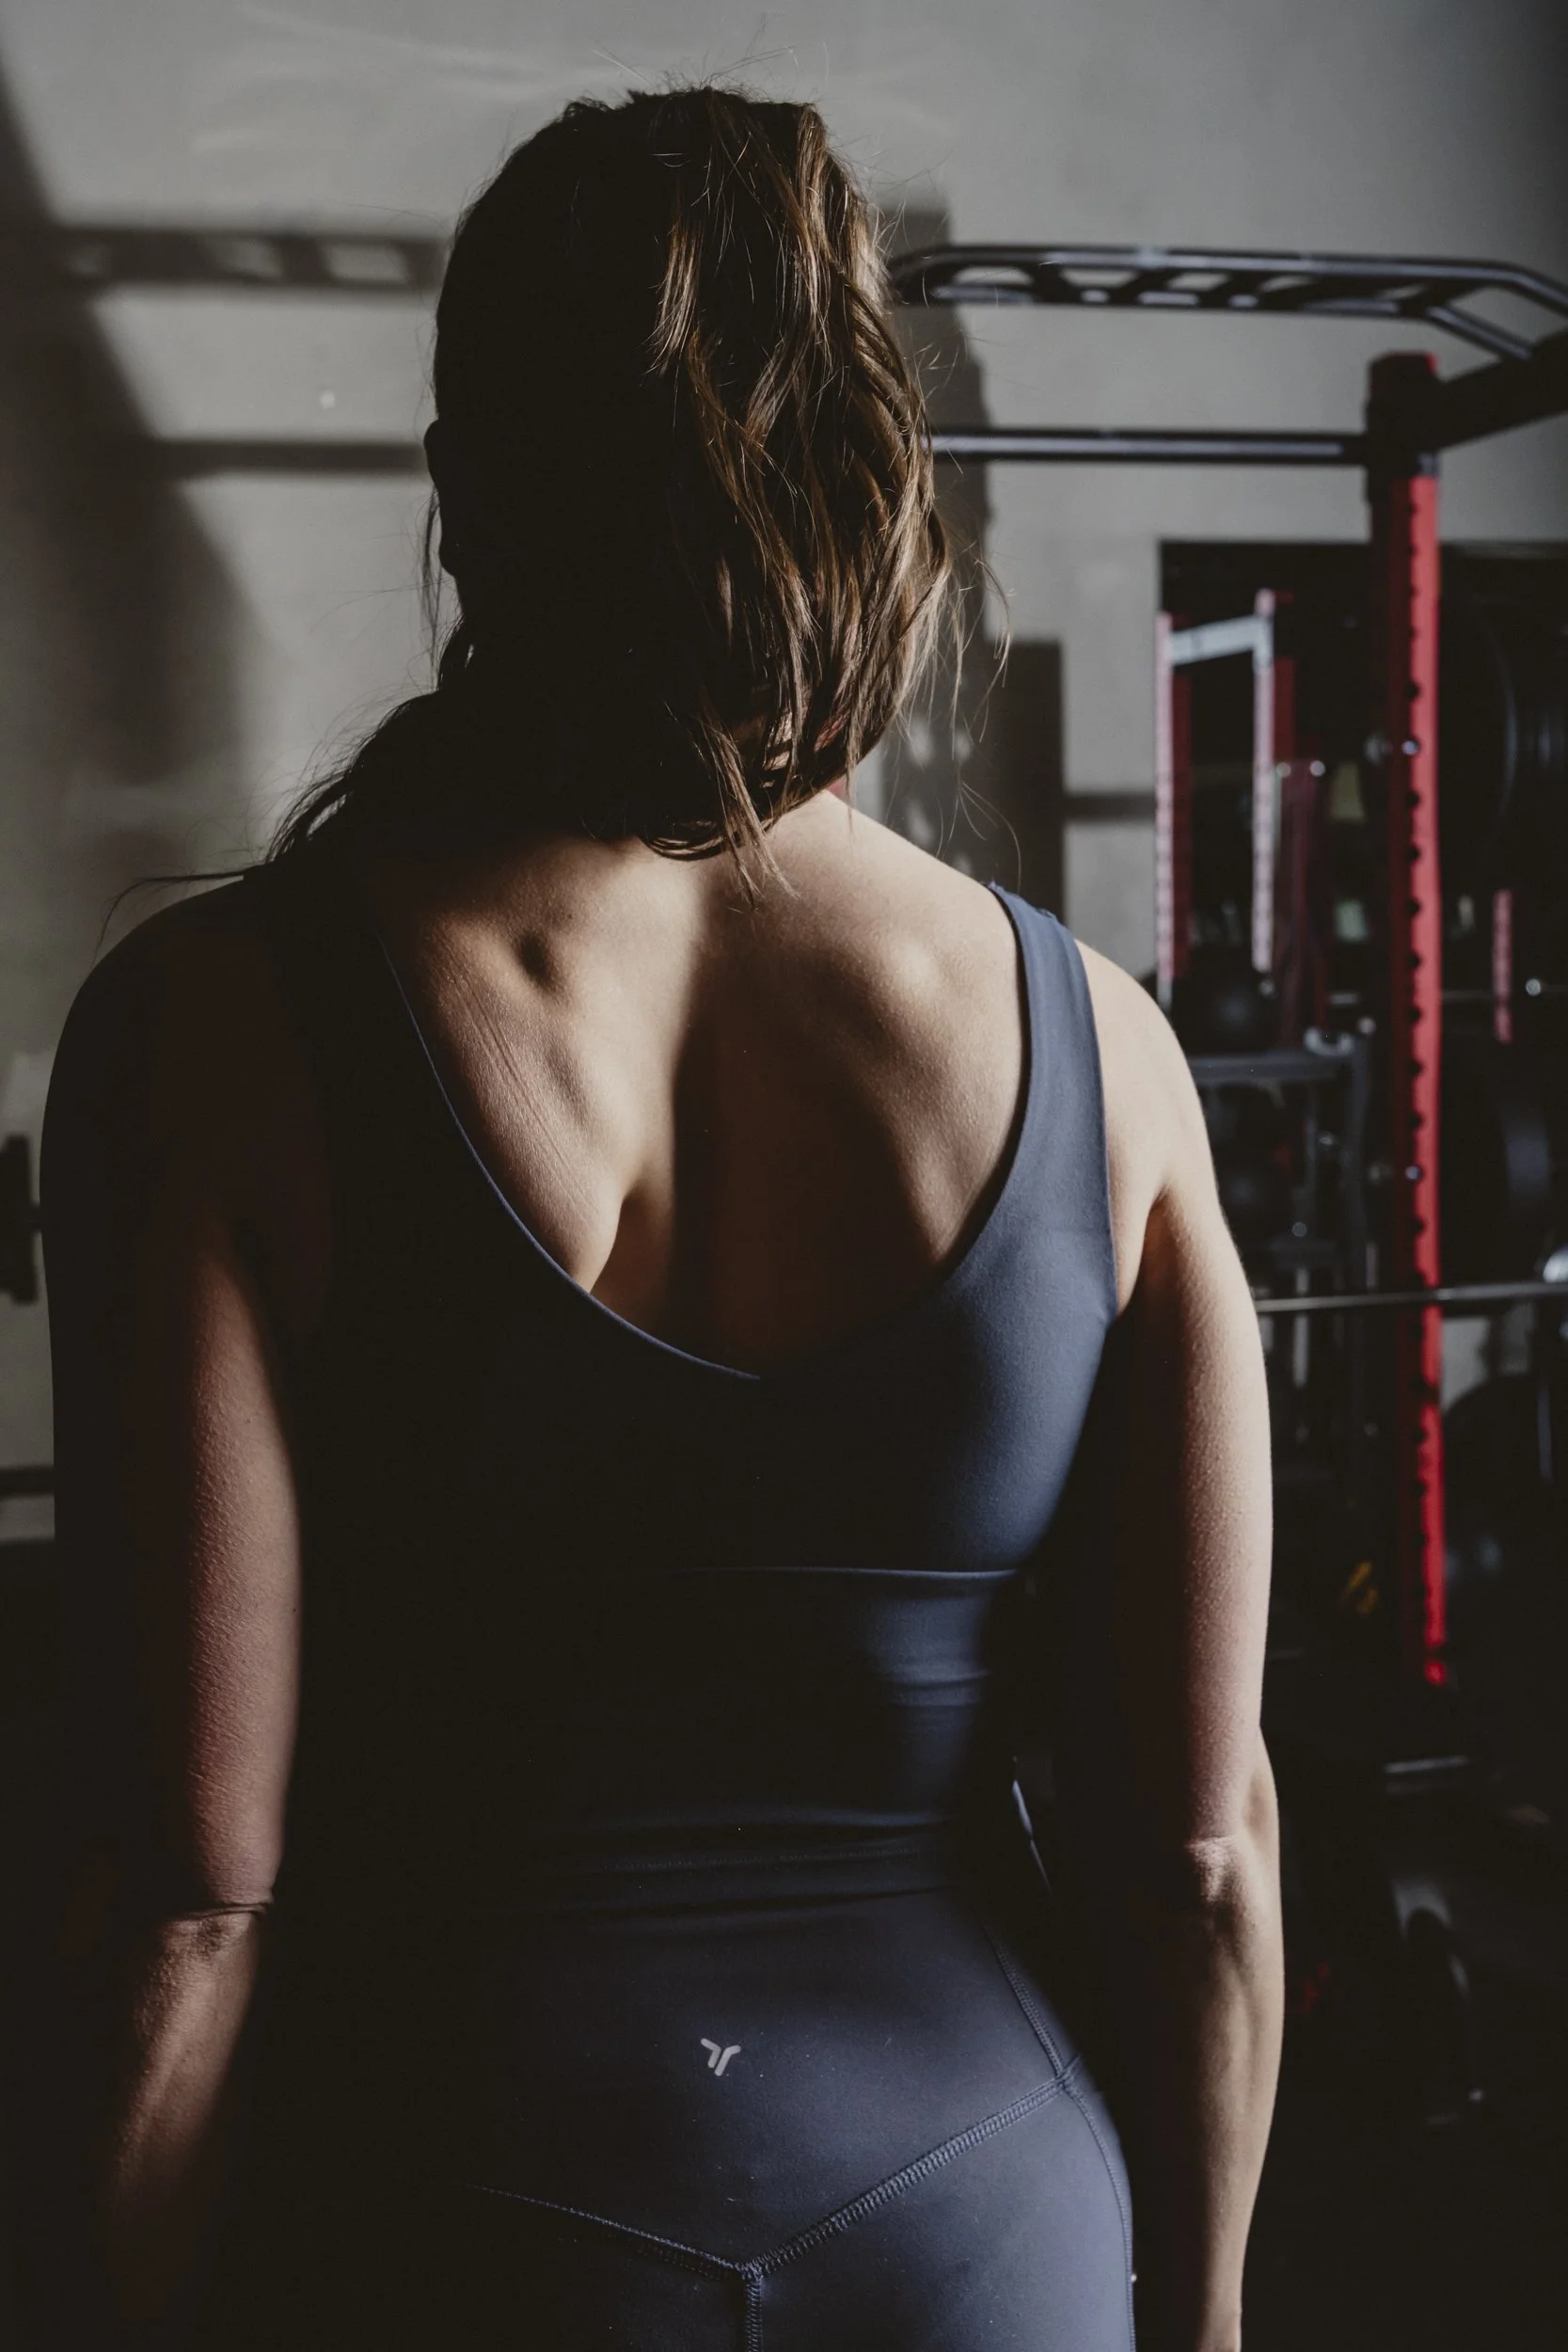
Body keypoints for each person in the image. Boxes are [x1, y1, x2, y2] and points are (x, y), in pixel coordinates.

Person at [36, 84, 1280, 2352]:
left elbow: (188, 1899)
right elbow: (1196, 1857)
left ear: (466, 491)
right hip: (978, 2227)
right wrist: (1184, 2321)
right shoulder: (1106, 1057)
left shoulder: (210, 1033)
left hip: (446, 2213)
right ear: (871, 490)